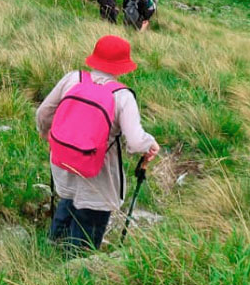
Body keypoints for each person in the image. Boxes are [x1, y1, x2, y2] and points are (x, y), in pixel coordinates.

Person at [36, 35, 160, 252]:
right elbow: (135, 141)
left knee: (68, 198)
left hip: (64, 162)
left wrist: (48, 135)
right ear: (122, 67)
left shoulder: (72, 79)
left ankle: (51, 249)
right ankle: (74, 268)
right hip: (99, 173)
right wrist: (150, 144)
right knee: (89, 218)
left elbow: (43, 113)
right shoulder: (122, 97)